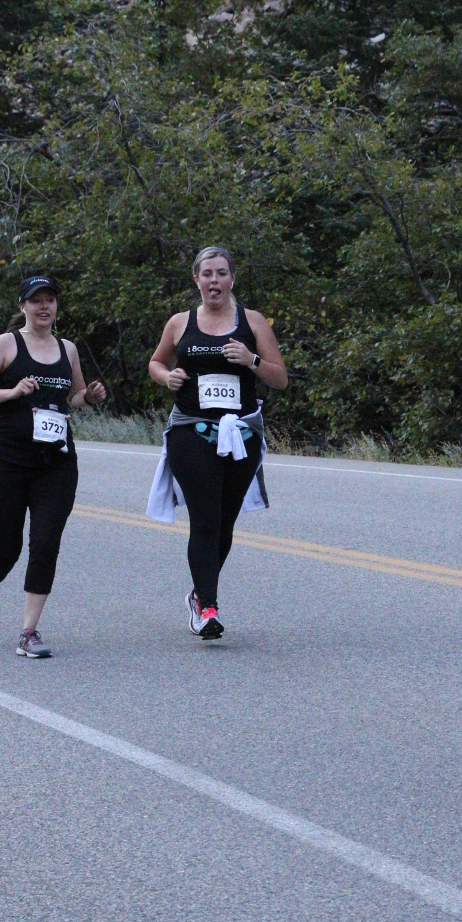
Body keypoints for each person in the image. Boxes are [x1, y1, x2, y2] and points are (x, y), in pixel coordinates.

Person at [0, 276, 107, 656]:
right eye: (36, 300)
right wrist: (11, 392)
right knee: (5, 549)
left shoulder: (67, 349)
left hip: (56, 462)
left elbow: (74, 396)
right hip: (6, 460)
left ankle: (29, 632)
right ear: (22, 305)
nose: (44, 307)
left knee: (45, 543)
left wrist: (89, 397)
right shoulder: (6, 344)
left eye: (50, 300)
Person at [147, 245, 287, 640]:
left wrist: (252, 360)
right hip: (191, 429)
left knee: (224, 522)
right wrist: (167, 377)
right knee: (205, 519)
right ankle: (208, 608)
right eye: (207, 274)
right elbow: (156, 362)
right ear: (196, 279)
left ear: (232, 279)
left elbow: (280, 378)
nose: (214, 281)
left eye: (221, 273)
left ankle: (198, 593)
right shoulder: (180, 322)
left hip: (241, 433)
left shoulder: (252, 322)